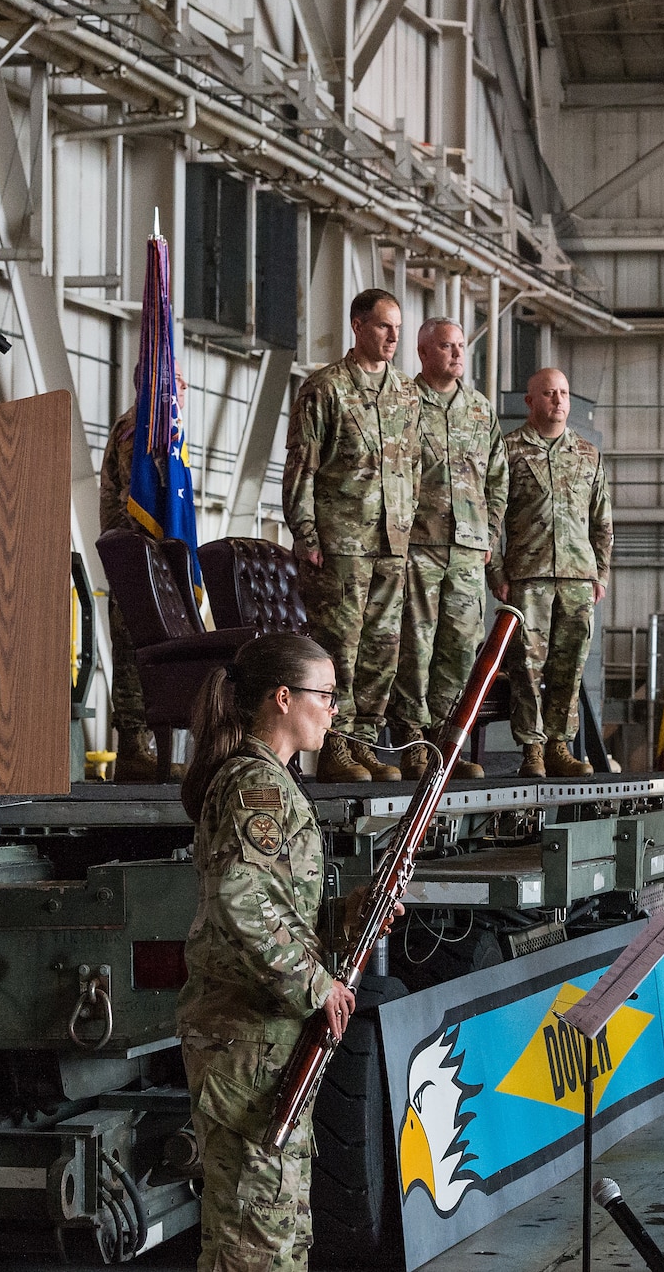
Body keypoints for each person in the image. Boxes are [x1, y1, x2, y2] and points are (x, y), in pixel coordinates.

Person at [176, 631, 363, 1271]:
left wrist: (350, 915)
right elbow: (240, 898)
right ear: (283, 699)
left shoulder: (272, 781)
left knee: (275, 1232)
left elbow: (278, 905)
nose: (334, 711)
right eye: (326, 696)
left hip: (263, 1038)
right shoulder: (257, 785)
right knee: (255, 1245)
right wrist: (319, 985)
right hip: (247, 1040)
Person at [283, 289, 420, 782]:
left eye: (398, 328)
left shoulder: (406, 394)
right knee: (340, 647)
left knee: (383, 650)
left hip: (393, 543)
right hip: (341, 541)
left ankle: (363, 741)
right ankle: (333, 747)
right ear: (358, 325)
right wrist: (306, 534)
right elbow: (302, 465)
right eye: (384, 326)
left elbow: (415, 468)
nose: (393, 337)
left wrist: (409, 528)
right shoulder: (325, 389)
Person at [389, 318, 505, 779]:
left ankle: (445, 743)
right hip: (419, 542)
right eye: (446, 346)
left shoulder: (480, 410)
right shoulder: (403, 402)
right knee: (415, 646)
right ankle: (415, 745)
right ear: (422, 352)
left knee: (460, 647)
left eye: (461, 346)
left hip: (468, 550)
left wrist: (490, 533)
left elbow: (498, 479)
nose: (457, 354)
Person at [493, 368, 610, 779]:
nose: (558, 401)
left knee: (570, 666)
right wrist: (496, 572)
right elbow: (493, 518)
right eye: (548, 393)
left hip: (579, 579)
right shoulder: (508, 451)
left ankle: (560, 745)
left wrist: (602, 575)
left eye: (562, 393)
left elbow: (602, 520)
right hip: (528, 577)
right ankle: (532, 751)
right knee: (526, 668)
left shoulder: (588, 453)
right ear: (530, 402)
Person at [98, 404, 158, 780]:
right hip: (137, 556)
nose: (181, 388)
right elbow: (128, 497)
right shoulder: (141, 425)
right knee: (133, 651)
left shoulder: (160, 424)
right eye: (178, 380)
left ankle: (144, 750)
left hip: (149, 558)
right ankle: (135, 748)